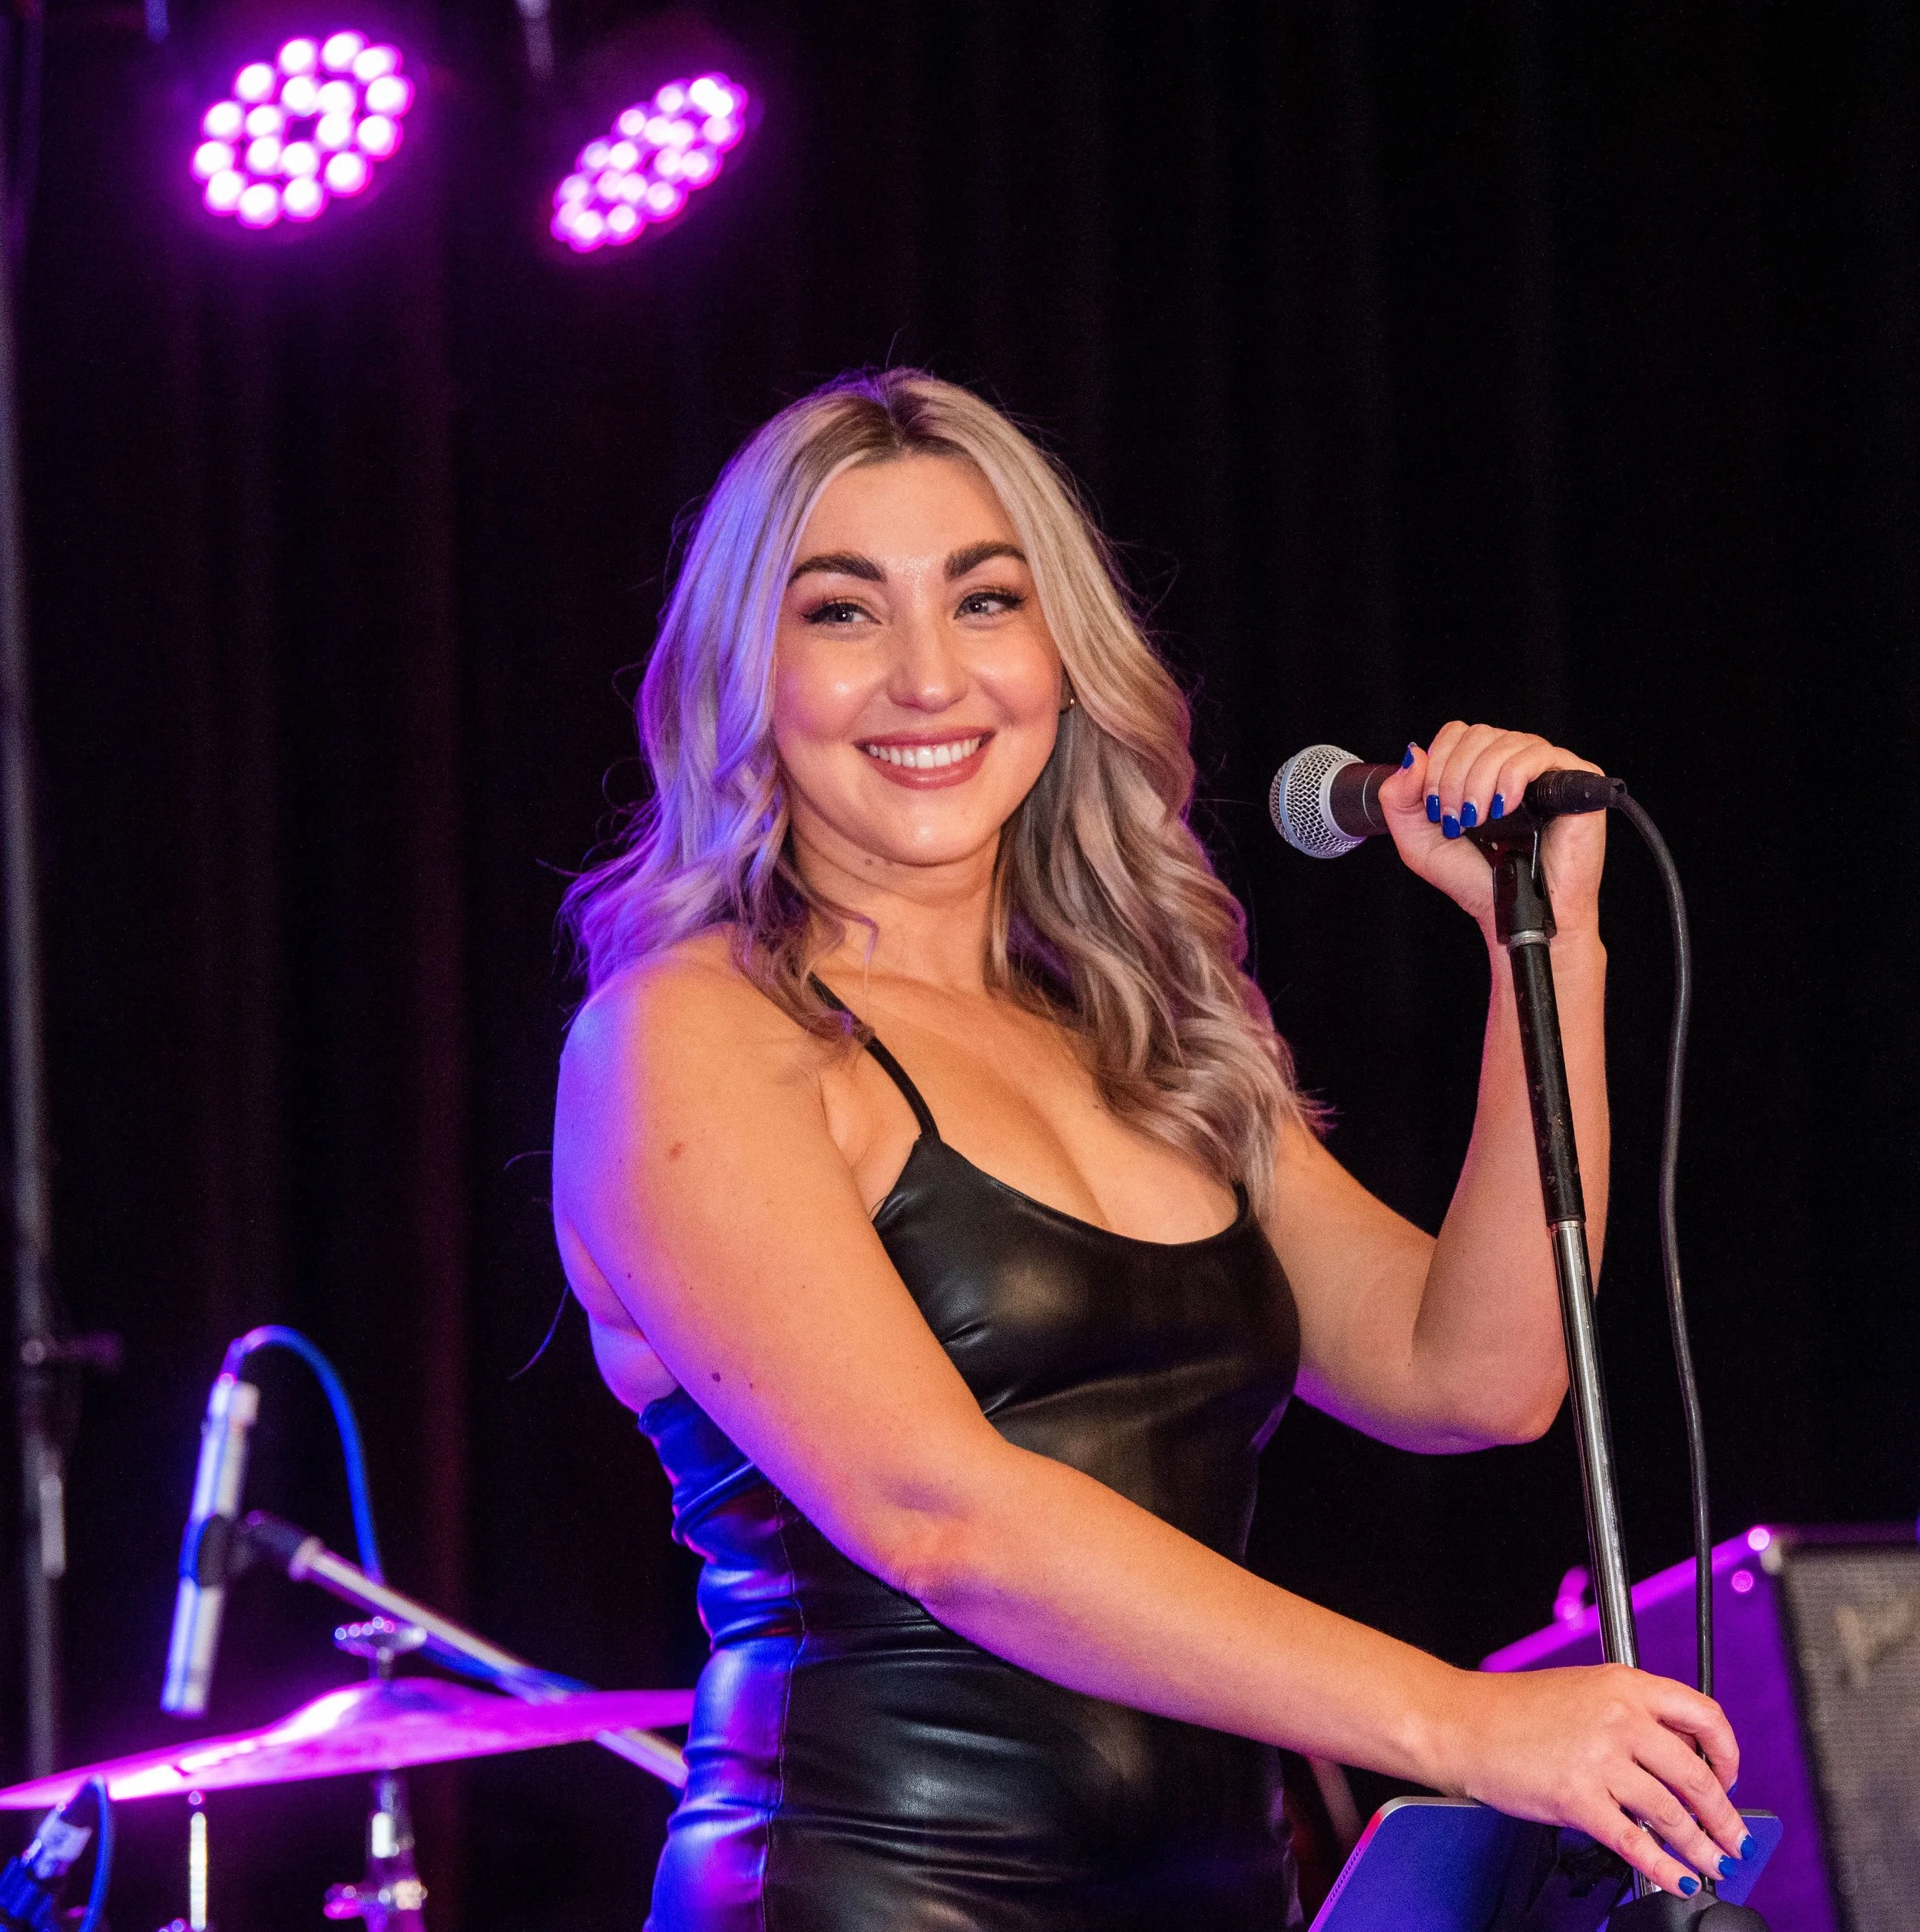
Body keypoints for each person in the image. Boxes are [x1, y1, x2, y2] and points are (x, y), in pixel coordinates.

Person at [551, 369, 1749, 1931]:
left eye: (986, 602)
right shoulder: (692, 1034)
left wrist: (1548, 944)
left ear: (1060, 655)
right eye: (840, 614)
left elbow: (1475, 1373)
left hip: (1213, 1890)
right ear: (745, 670)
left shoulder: (1154, 1023)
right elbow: (944, 1516)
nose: (927, 677)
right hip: (872, 1890)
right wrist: (1456, 1722)